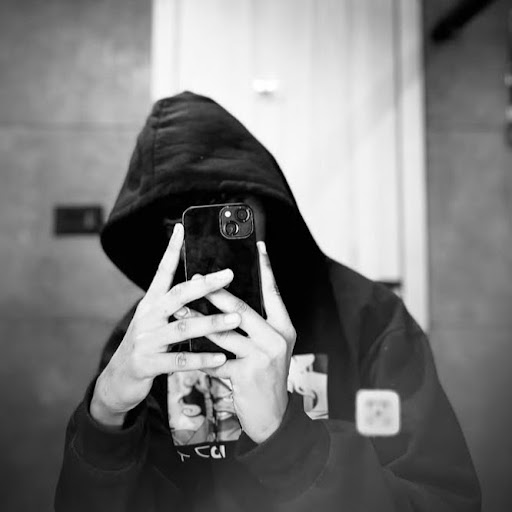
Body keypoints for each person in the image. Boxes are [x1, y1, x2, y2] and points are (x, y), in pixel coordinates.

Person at [55, 91, 481, 511]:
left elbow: (443, 500)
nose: (211, 242)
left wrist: (287, 439)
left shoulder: (368, 316)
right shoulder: (143, 342)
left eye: (229, 214)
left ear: (267, 208)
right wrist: (105, 415)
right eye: (183, 220)